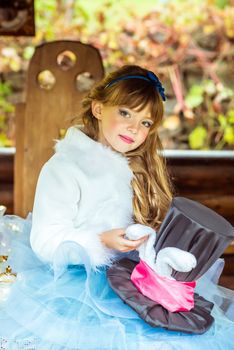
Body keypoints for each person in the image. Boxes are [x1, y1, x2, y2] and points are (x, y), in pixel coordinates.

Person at [0, 65, 233, 350]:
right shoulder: (65, 168)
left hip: (131, 281)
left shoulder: (137, 170)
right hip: (79, 288)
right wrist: (100, 240)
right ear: (98, 109)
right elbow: (45, 240)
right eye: (125, 113)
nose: (135, 128)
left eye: (146, 123)